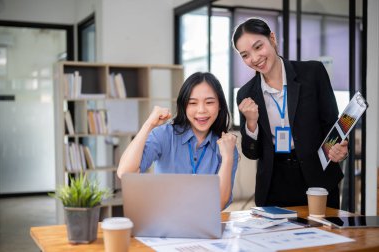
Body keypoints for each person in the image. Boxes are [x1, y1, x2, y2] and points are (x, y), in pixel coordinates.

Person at [232, 17, 348, 208]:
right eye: (245, 55)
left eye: (258, 47)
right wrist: (251, 123)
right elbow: (251, 153)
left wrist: (339, 150)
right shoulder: (246, 94)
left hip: (317, 177)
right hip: (273, 183)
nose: (254, 58)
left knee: (327, 236)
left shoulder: (313, 73)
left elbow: (331, 124)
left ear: (272, 38)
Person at [117, 72, 239, 210]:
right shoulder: (164, 135)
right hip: (163, 222)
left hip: (204, 226)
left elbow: (219, 204)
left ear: (220, 105)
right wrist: (149, 125)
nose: (201, 110)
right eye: (192, 103)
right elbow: (125, 173)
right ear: (184, 106)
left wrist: (228, 157)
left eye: (209, 102)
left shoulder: (226, 147)